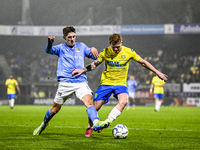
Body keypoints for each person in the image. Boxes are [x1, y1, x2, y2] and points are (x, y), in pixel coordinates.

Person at [72, 33, 168, 137]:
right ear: (110, 44)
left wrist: (158, 73)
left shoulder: (128, 52)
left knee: (124, 101)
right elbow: (95, 64)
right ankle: (89, 127)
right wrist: (83, 70)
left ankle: (107, 122)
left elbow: (143, 62)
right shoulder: (106, 51)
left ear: (121, 43)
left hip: (120, 84)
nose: (116, 50)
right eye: (114, 47)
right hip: (106, 83)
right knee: (94, 108)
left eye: (118, 47)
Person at [33, 26, 111, 135]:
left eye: (74, 36)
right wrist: (50, 43)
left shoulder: (81, 46)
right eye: (69, 37)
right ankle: (43, 125)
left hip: (80, 82)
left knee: (89, 102)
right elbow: (49, 50)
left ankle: (96, 123)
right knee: (54, 110)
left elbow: (93, 56)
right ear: (64, 37)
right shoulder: (60, 48)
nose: (72, 39)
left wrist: (93, 49)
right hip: (65, 83)